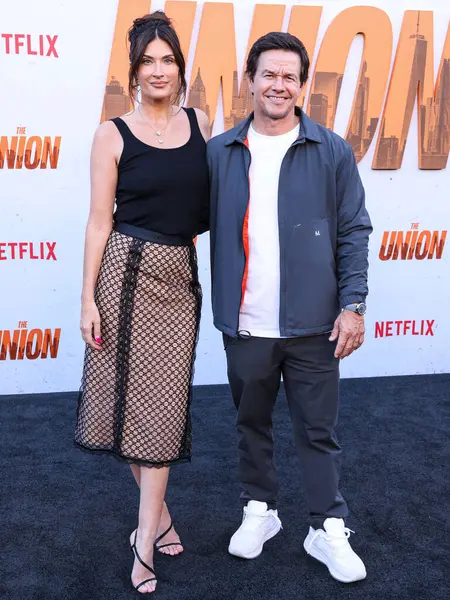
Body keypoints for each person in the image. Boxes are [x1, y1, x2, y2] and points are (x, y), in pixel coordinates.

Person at [207, 32, 372, 583]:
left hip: (315, 326)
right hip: (246, 324)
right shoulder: (220, 151)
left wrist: (353, 304)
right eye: (268, 74)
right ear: (248, 80)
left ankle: (326, 526)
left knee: (318, 431)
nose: (278, 85)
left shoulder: (332, 150)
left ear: (301, 85)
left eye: (289, 77)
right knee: (250, 423)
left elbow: (353, 230)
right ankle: (261, 511)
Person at [74, 11, 210, 594]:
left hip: (179, 280)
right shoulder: (112, 133)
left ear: (181, 68)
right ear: (134, 72)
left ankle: (152, 523)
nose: (159, 71)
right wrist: (87, 299)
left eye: (168, 60)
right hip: (123, 277)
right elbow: (99, 222)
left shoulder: (203, 122)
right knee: (127, 411)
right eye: (147, 61)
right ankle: (148, 534)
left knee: (159, 413)